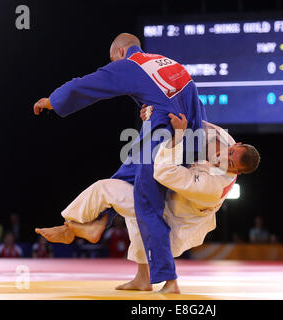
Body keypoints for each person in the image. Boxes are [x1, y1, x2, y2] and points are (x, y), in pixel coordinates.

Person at [33, 33, 207, 288]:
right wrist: (191, 153)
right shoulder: (169, 64)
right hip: (175, 140)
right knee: (120, 180)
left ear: (119, 53)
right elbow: (194, 107)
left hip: (160, 142)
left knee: (146, 207)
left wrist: (53, 101)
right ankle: (100, 226)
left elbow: (87, 85)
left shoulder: (130, 64)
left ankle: (170, 280)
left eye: (112, 59)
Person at [36, 110, 260, 292]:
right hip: (170, 198)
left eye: (231, 163)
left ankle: (74, 228)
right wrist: (153, 117)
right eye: (231, 152)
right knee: (132, 214)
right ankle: (142, 278)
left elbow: (163, 172)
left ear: (237, 172)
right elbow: (189, 119)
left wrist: (179, 138)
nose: (225, 157)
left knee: (120, 199)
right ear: (236, 143)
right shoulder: (222, 138)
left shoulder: (213, 187)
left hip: (179, 220)